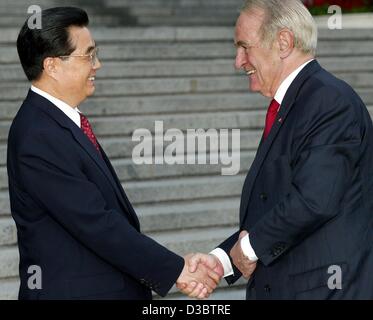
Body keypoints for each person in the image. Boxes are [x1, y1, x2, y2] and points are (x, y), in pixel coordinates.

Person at [7, 7, 222, 300]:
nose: (98, 64)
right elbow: (95, 222)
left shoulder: (60, 122)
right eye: (88, 55)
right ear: (53, 66)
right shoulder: (39, 135)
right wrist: (177, 269)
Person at [184, 0, 373, 299]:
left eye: (245, 47)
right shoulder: (299, 102)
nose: (238, 61)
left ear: (283, 42)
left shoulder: (329, 102)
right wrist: (222, 260)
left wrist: (246, 248)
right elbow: (275, 204)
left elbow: (314, 200)